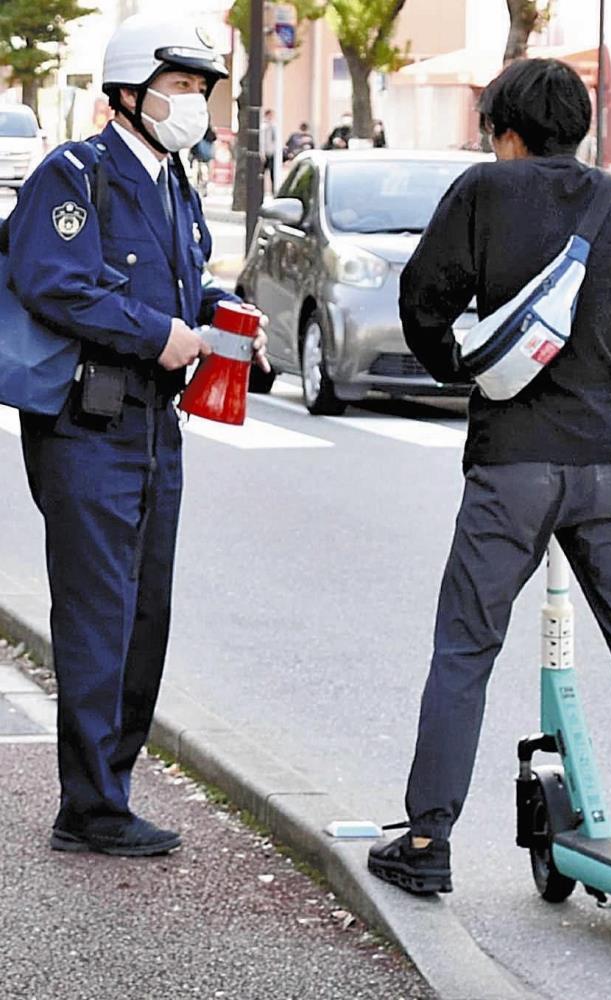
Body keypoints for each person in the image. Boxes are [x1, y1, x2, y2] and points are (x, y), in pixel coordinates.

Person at [368, 58, 611, 896]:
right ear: (578, 127)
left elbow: (422, 301)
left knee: (465, 647)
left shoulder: (484, 192)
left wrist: (465, 369)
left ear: (505, 132)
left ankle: (427, 844)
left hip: (512, 467)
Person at [8, 15, 269, 857]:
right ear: (130, 89)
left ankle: (108, 786)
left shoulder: (174, 182)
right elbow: (53, 282)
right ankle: (88, 804)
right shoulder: (76, 173)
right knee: (97, 614)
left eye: (201, 89)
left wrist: (224, 326)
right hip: (88, 424)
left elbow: (184, 289)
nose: (194, 103)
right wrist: (156, 332)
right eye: (182, 86)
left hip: (156, 424)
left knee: (143, 613)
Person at [189, 123, 217, 196]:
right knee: (204, 172)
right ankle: (203, 187)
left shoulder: (197, 132)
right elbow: (214, 139)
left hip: (198, 156)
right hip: (205, 157)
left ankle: (197, 187)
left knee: (198, 172)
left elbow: (192, 146)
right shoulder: (209, 132)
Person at [262, 109, 277, 191]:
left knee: (273, 174)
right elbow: (262, 141)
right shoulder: (264, 127)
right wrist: (262, 152)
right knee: (262, 173)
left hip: (272, 153)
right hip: (265, 152)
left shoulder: (274, 126)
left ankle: (273, 190)